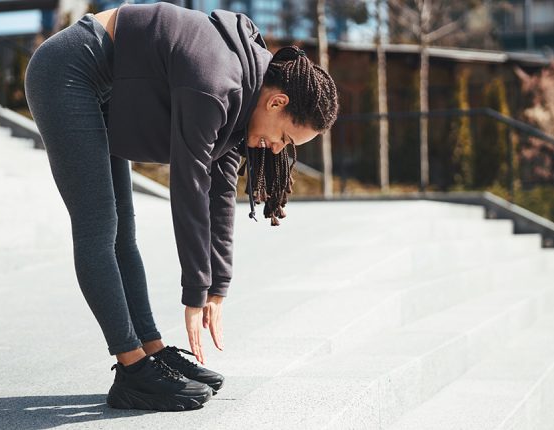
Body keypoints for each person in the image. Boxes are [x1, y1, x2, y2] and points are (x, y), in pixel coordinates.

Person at [24, 2, 338, 412]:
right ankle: (132, 368)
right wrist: (194, 290)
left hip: (111, 88)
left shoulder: (246, 99)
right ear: (277, 103)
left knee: (124, 231)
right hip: (67, 72)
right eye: (286, 139)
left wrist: (217, 285)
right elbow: (189, 186)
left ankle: (150, 350)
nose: (278, 149)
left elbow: (221, 188)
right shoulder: (215, 82)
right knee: (99, 227)